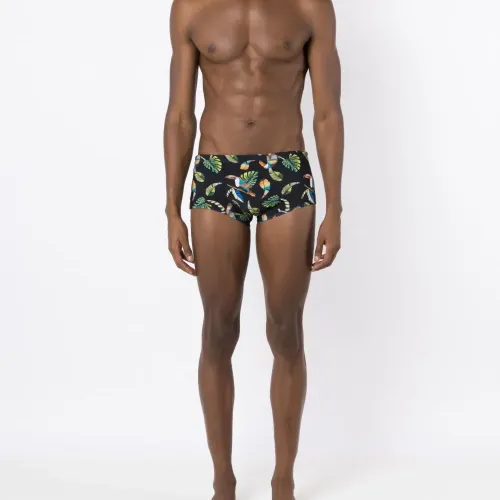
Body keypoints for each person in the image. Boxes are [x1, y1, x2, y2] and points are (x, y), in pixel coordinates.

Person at [164, 0, 343, 498]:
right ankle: (223, 480)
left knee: (285, 329)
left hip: (286, 172)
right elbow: (180, 115)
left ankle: (283, 479)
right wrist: (171, 208)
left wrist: (335, 208)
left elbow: (328, 113)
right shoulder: (192, 7)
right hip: (216, 173)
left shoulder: (310, 6)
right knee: (219, 328)